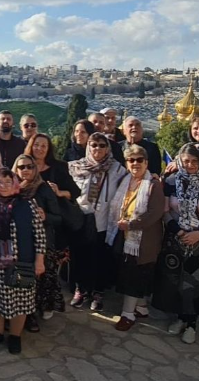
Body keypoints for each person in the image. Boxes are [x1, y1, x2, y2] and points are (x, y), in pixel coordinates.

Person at [153, 143, 199, 345]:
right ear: (179, 162)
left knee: (193, 282)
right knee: (174, 280)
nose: (190, 165)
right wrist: (180, 231)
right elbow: (165, 210)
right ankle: (180, 317)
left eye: (194, 161)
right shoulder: (172, 181)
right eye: (186, 161)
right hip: (175, 240)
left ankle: (191, 323)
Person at [0, 168, 46, 354]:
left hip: (21, 262)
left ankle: (15, 336)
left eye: (7, 181)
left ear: (15, 184)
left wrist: (39, 261)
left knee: (20, 301)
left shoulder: (27, 205)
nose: (3, 186)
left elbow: (40, 235)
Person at [13, 154, 80, 331]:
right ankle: (24, 314)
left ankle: (35, 313)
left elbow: (58, 217)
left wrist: (46, 217)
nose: (25, 170)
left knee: (41, 280)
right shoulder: (14, 189)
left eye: (29, 166)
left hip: (42, 242)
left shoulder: (43, 189)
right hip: (21, 242)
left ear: (35, 169)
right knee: (24, 280)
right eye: (21, 167)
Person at [105, 145, 165, 332]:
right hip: (123, 235)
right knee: (132, 272)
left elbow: (155, 212)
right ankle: (140, 307)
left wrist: (131, 224)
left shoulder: (153, 185)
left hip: (143, 239)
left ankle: (127, 314)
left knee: (135, 274)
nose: (135, 163)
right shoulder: (126, 180)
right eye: (131, 160)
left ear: (146, 162)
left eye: (140, 160)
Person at [68, 132, 128, 312]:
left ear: (108, 148)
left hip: (104, 221)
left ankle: (97, 293)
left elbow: (130, 184)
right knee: (81, 256)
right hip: (82, 219)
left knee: (101, 258)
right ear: (88, 147)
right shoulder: (76, 167)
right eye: (94, 145)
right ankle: (81, 290)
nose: (97, 149)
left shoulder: (117, 169)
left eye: (102, 145)